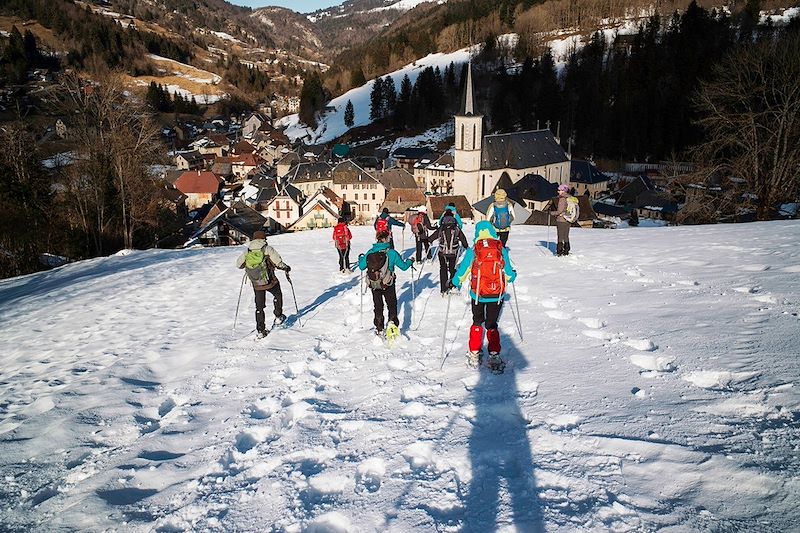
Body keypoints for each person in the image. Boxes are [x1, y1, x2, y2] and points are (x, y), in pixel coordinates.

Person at [452, 221, 517, 371]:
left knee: (477, 321)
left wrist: (455, 281)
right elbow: (508, 274)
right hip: (497, 295)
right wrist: (512, 276)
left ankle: (474, 352)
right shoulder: (500, 249)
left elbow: (463, 272)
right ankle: (494, 354)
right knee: (492, 324)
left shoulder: (474, 249)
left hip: (478, 295)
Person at [358, 230, 413, 337]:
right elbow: (404, 267)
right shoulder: (391, 253)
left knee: (378, 306)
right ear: (386, 239)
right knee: (392, 305)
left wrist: (361, 258)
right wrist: (410, 261)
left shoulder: (370, 252)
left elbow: (361, 266)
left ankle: (379, 328)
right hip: (388, 284)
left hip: (374, 284)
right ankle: (392, 326)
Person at [236, 230, 290, 337]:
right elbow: (278, 263)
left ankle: (261, 330)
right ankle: (278, 316)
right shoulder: (267, 249)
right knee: (277, 294)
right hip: (269, 281)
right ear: (263, 238)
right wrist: (286, 268)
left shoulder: (247, 251)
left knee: (259, 307)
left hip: (256, 283)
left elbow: (238, 264)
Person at [426, 208, 468, 294]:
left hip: (442, 253)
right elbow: (463, 240)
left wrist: (429, 241)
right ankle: (452, 286)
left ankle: (443, 289)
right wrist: (465, 246)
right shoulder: (456, 228)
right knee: (453, 269)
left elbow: (431, 238)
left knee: (443, 269)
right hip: (453, 252)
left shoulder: (441, 228)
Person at [550, 184, 579, 256]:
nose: (558, 191)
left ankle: (559, 251)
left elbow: (559, 211)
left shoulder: (562, 199)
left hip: (561, 220)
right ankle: (566, 250)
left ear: (563, 191)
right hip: (568, 219)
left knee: (560, 236)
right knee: (566, 235)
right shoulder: (570, 198)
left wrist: (551, 213)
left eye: (559, 190)